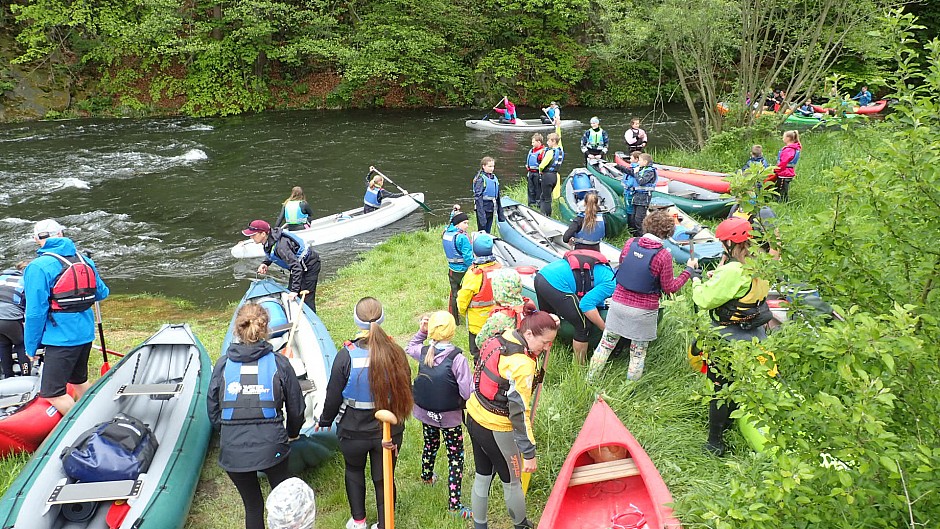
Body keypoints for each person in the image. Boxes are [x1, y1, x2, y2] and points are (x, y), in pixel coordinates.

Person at [207, 303, 306, 529]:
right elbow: (296, 407)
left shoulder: (222, 365)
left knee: (253, 506)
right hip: (273, 446)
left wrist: (226, 433)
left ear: (237, 330)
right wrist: (292, 433)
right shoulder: (280, 363)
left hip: (234, 449)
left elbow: (212, 409)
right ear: (265, 328)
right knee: (284, 502)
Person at [318, 297, 413, 529]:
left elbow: (333, 394)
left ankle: (359, 521)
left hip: (353, 430)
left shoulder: (345, 355)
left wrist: (325, 420)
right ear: (383, 318)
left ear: (356, 320)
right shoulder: (396, 352)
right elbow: (407, 389)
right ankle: (385, 523)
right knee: (383, 477)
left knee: (353, 471)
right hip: (388, 430)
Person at [466, 311, 559, 529]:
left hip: (474, 416)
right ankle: (521, 525)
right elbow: (519, 414)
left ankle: (480, 526)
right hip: (497, 430)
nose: (546, 348)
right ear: (528, 333)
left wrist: (547, 324)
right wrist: (529, 453)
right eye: (544, 342)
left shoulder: (505, 336)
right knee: (512, 482)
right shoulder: (522, 365)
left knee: (483, 475)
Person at [691, 217, 773, 456]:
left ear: (730, 243)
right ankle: (734, 417)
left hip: (727, 338)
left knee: (720, 385)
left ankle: (715, 441)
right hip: (754, 337)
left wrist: (697, 281)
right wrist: (717, 281)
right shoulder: (762, 266)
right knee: (741, 380)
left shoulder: (732, 270)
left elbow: (704, 300)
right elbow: (742, 294)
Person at [587, 210, 697, 380]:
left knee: (605, 345)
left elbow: (625, 266)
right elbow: (669, 288)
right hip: (643, 312)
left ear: (647, 224)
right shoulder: (663, 256)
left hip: (618, 304)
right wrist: (688, 270)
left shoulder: (630, 243)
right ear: (668, 232)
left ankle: (589, 380)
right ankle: (629, 389)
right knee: (637, 354)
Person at [23, 219, 109, 416]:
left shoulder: (38, 267)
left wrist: (31, 346)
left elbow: (35, 312)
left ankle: (86, 425)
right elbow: (102, 293)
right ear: (61, 234)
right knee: (78, 380)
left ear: (37, 239)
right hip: (85, 334)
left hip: (61, 339)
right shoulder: (84, 260)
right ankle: (102, 414)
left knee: (53, 393)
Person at [405, 311, 473, 519]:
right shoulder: (457, 359)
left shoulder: (424, 351)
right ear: (452, 332)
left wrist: (421, 332)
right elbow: (467, 392)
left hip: (426, 413)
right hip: (450, 417)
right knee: (455, 458)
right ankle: (454, 505)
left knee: (430, 444)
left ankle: (426, 476)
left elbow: (409, 347)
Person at [533, 250, 615, 363]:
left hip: (542, 275)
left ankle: (538, 353)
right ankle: (579, 367)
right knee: (583, 325)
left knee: (548, 321)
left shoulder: (608, 271)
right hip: (556, 283)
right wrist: (605, 329)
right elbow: (586, 305)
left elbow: (596, 298)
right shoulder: (612, 283)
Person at [242, 220, 321, 312]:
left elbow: (296, 267)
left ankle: (312, 320)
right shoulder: (270, 239)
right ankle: (296, 313)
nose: (251, 237)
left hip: (309, 265)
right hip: (299, 266)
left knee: (306, 297)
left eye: (253, 234)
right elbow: (271, 251)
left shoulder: (281, 246)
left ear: (263, 234)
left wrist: (295, 291)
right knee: (290, 292)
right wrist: (265, 263)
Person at [457, 234, 503, 362]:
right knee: (496, 351)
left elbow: (463, 298)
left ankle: (479, 377)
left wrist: (462, 311)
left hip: (478, 324)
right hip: (497, 320)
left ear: (475, 252)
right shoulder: (499, 268)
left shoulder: (473, 275)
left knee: (477, 353)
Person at [474, 269, 537, 349]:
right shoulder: (527, 307)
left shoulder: (499, 317)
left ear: (497, 290)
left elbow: (480, 342)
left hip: (505, 358)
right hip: (526, 356)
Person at [443, 209, 473, 325]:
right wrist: (472, 267)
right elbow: (468, 257)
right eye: (465, 223)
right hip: (464, 270)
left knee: (454, 293)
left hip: (452, 270)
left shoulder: (446, 232)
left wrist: (453, 212)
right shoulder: (462, 238)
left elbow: (450, 221)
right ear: (457, 224)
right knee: (468, 292)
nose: (467, 226)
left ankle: (455, 319)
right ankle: (468, 316)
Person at [0, 261, 29, 378]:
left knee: (3, 344)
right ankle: (26, 375)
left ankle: (8, 376)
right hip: (11, 317)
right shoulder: (25, 281)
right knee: (21, 344)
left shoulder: (2, 277)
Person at [765, 130, 801, 202]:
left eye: (783, 137)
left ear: (788, 138)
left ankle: (782, 203)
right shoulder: (794, 148)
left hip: (784, 174)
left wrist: (775, 170)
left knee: (781, 191)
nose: (783, 138)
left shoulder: (788, 150)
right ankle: (779, 201)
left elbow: (783, 163)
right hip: (787, 172)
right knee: (780, 189)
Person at [472, 157, 505, 233]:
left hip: (491, 207)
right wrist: (481, 213)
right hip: (483, 207)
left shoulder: (493, 177)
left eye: (493, 166)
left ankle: (488, 241)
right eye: (489, 166)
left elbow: (497, 196)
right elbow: (478, 197)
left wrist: (500, 211)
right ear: (484, 166)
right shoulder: (480, 179)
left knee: (488, 229)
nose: (492, 168)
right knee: (482, 228)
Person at [628, 153, 658, 236]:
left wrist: (636, 173)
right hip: (636, 196)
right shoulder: (641, 169)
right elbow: (630, 172)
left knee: (639, 219)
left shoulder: (650, 172)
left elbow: (641, 181)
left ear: (645, 162)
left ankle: (642, 236)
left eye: (640, 160)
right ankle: (635, 236)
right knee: (633, 218)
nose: (638, 162)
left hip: (644, 198)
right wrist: (616, 166)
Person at [537, 132, 564, 216]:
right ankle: (543, 213)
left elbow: (542, 165)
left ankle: (546, 215)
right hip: (554, 176)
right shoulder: (561, 151)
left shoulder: (550, 152)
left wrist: (540, 170)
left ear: (553, 141)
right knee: (543, 196)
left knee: (546, 199)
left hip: (547, 176)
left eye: (548, 141)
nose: (547, 143)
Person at [524, 134, 546, 207]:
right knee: (530, 189)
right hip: (530, 172)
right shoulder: (531, 150)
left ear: (539, 142)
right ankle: (531, 203)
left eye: (533, 142)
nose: (531, 144)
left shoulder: (542, 152)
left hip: (537, 173)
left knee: (538, 189)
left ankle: (538, 204)